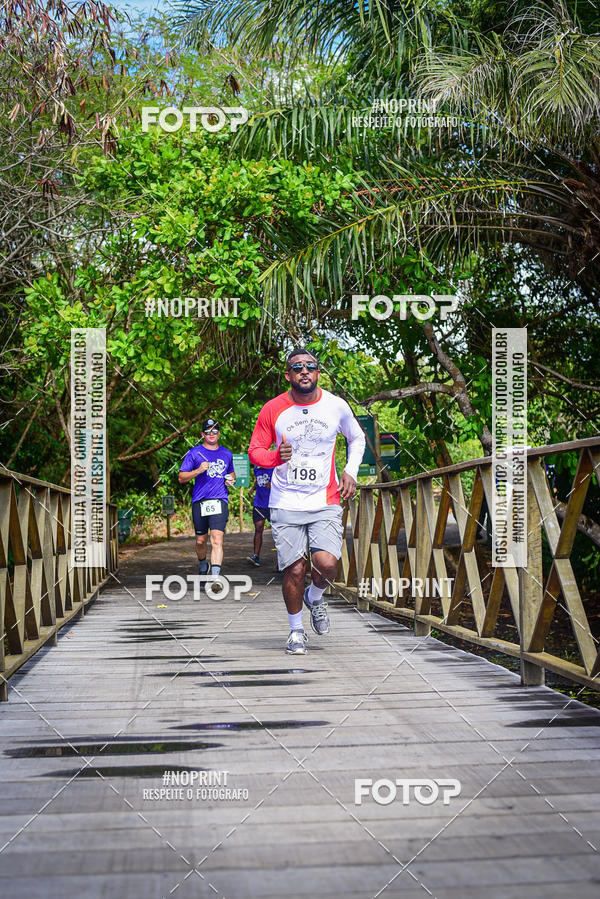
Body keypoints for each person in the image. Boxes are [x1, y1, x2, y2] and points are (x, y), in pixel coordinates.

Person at [248, 348, 365, 654]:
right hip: (286, 501)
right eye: (297, 367)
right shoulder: (273, 409)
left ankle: (315, 596)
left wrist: (350, 472)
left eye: (309, 367)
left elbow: (357, 438)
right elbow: (255, 450)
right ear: (288, 375)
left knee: (326, 563)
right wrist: (275, 457)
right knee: (295, 569)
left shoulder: (336, 406)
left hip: (325, 498)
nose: (303, 371)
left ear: (317, 373)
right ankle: (296, 630)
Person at [178, 418, 235, 580]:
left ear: (219, 433)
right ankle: (203, 564)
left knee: (217, 539)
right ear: (203, 434)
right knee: (201, 541)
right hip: (200, 501)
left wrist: (231, 479)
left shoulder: (226, 453)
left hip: (219, 500)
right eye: (208, 431)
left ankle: (215, 577)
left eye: (215, 431)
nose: (212, 434)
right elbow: (181, 477)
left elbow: (232, 474)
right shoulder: (194, 453)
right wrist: (198, 470)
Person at [247, 465, 275, 567]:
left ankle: (281, 559)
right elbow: (258, 480)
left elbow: (284, 482)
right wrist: (252, 488)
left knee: (277, 532)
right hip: (259, 504)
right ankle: (256, 556)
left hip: (272, 504)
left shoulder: (274, 468)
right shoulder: (256, 469)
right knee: (258, 529)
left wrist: (273, 484)